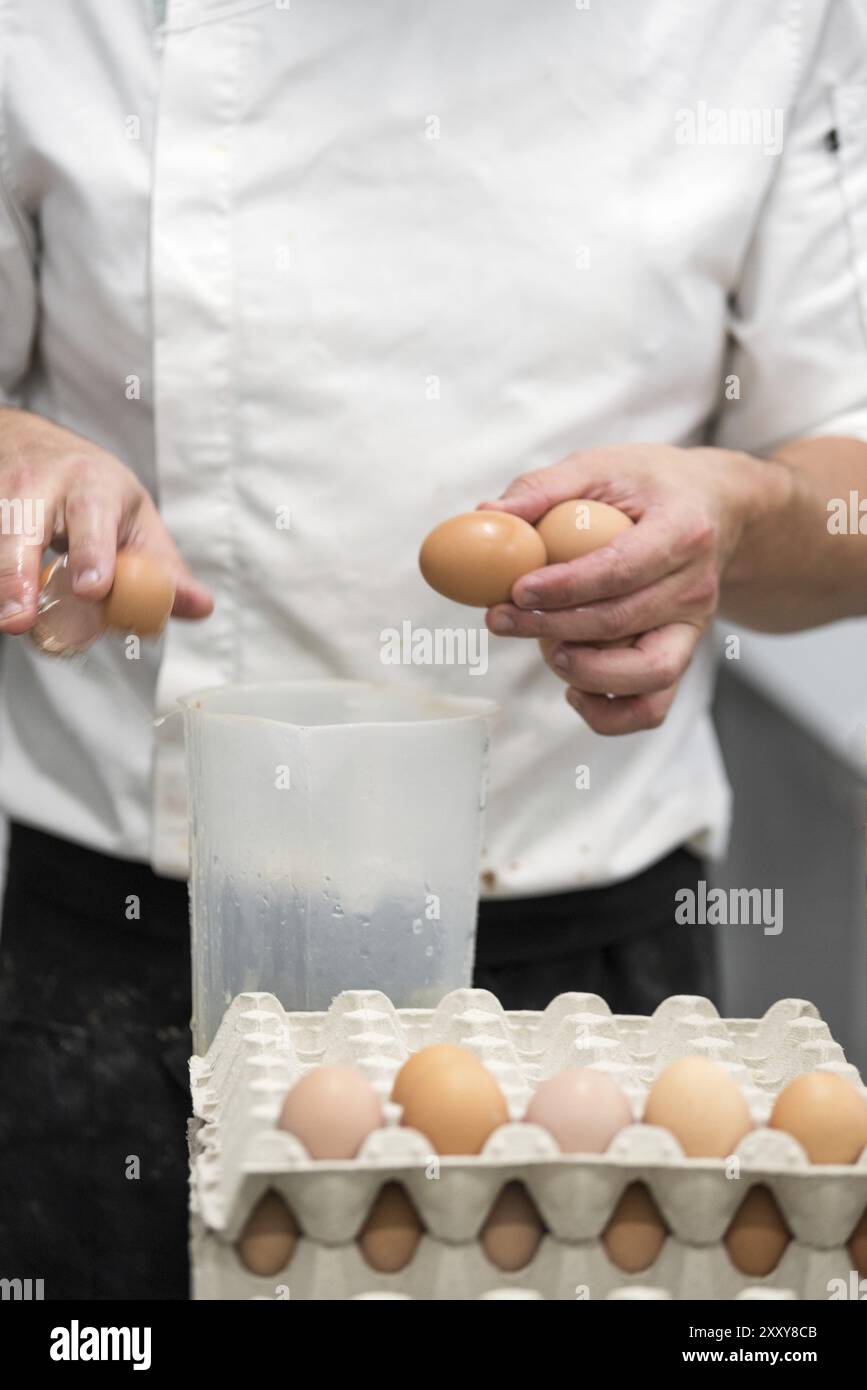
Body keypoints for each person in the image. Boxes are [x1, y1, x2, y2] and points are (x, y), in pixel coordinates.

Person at [1, 0, 866, 1300]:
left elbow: (848, 472)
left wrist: (739, 521)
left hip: (589, 973)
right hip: (127, 944)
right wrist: (23, 462)